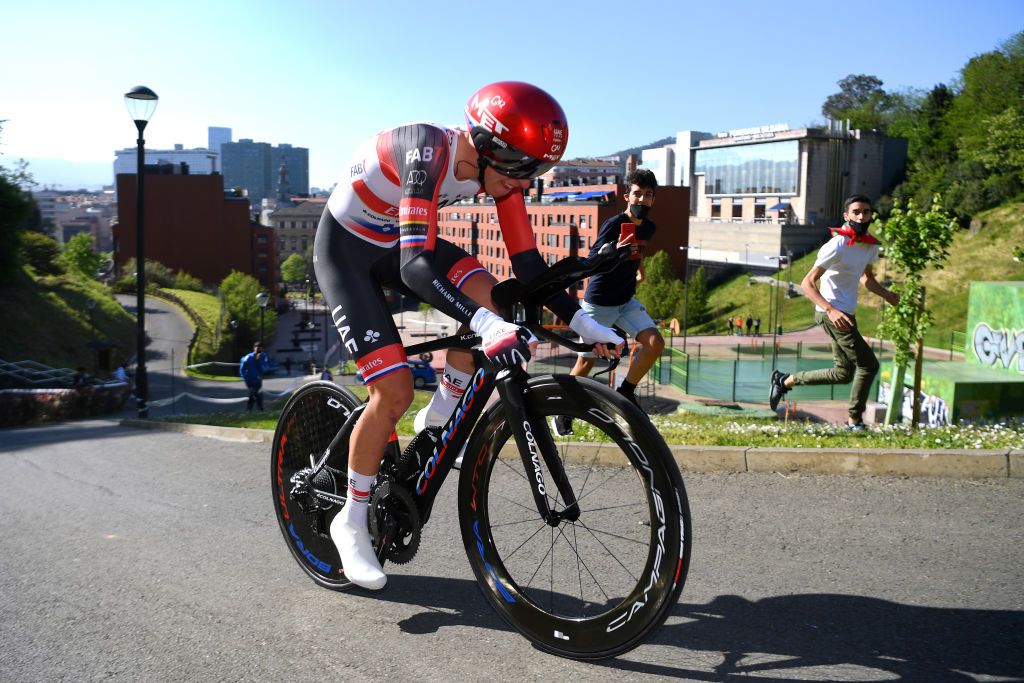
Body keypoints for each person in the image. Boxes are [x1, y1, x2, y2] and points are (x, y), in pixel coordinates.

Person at [313, 81, 624, 590]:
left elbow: (527, 266)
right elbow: (416, 267)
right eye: (523, 170)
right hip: (348, 252)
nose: (528, 183)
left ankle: (438, 418)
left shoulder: (500, 174)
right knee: (391, 392)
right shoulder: (426, 150)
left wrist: (583, 323)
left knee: (497, 298)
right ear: (487, 147)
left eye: (538, 172)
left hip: (401, 241)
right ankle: (349, 518)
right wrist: (484, 324)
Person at [769, 194, 899, 430]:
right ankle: (854, 421)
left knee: (843, 373)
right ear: (846, 216)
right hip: (831, 314)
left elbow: (866, 278)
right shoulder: (837, 244)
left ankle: (785, 380)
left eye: (866, 212)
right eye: (857, 211)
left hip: (847, 313)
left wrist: (887, 295)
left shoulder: (869, 246)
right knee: (869, 365)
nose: (862, 216)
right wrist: (831, 310)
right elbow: (807, 283)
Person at [550, 168, 664, 436]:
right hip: (599, 303)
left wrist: (640, 270)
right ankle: (561, 410)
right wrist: (614, 250)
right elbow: (592, 261)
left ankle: (625, 393)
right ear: (627, 196)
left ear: (653, 200)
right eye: (637, 194)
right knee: (585, 364)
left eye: (648, 195)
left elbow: (640, 252)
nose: (641, 199)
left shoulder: (649, 227)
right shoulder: (613, 225)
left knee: (655, 343)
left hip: (625, 301)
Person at [240, 343, 270, 412]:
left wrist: (259, 362)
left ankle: (254, 409)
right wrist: (246, 377)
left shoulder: (264, 356)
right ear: (254, 348)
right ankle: (254, 409)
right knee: (254, 393)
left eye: (260, 349)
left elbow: (265, 367)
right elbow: (242, 369)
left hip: (258, 380)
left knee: (257, 394)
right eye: (257, 348)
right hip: (250, 380)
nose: (258, 350)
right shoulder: (248, 357)